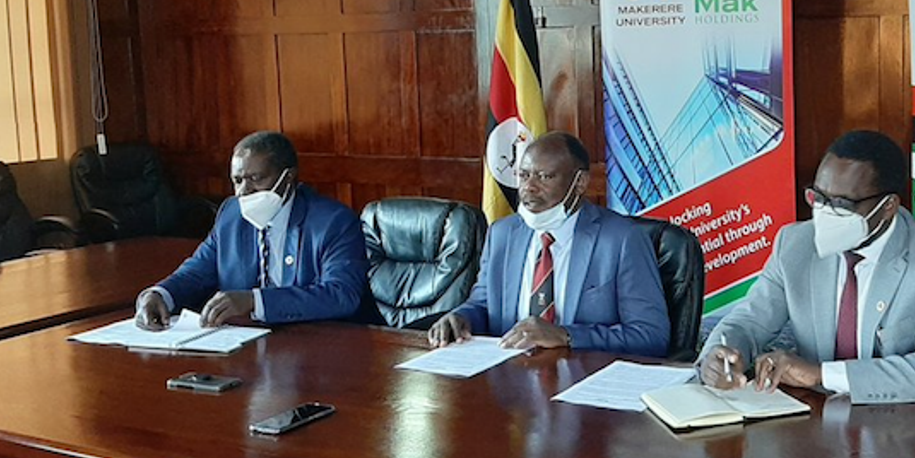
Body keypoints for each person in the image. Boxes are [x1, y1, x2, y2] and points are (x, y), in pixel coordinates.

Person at [697, 129, 915, 458]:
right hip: (814, 452)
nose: (825, 213)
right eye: (819, 197)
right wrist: (722, 353)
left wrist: (820, 374)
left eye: (843, 204)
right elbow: (748, 320)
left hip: (908, 456)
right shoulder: (794, 244)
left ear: (887, 207)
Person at [427, 132, 670, 356]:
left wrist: (567, 335)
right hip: (508, 379)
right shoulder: (502, 233)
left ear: (580, 182)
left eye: (545, 177)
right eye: (524, 175)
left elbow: (650, 335)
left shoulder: (623, 239)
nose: (529, 188)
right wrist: (461, 318)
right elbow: (482, 305)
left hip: (582, 383)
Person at [135, 131, 369, 329]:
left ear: (287, 178)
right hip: (247, 343)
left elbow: (341, 294)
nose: (243, 191)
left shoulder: (333, 221)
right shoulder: (231, 215)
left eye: (255, 178)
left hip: (319, 345)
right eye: (237, 180)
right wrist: (160, 294)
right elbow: (197, 272)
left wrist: (255, 301)